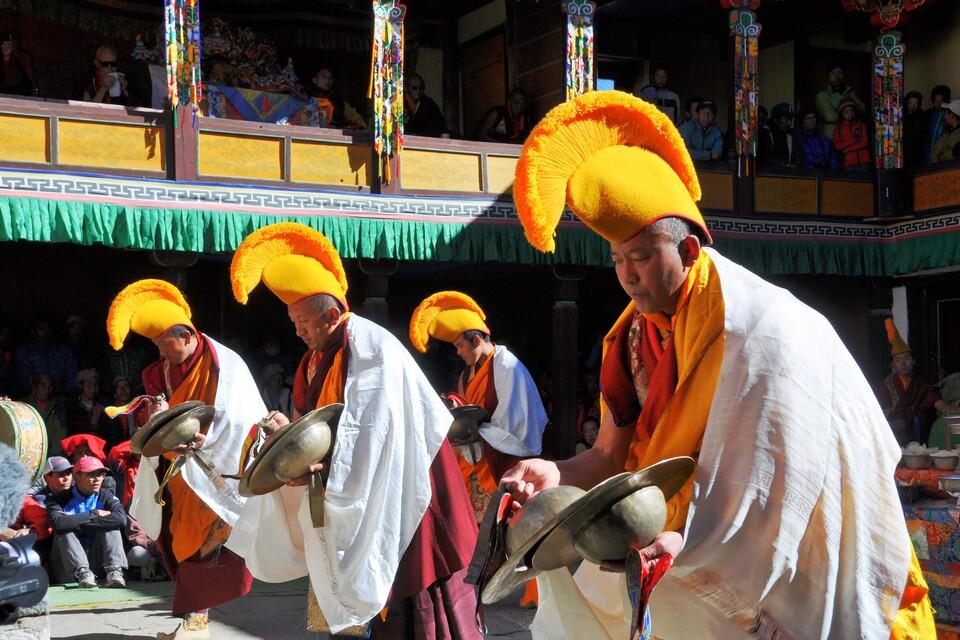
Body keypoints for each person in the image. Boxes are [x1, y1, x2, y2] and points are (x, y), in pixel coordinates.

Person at [505, 90, 933, 638]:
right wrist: (558, 473)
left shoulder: (763, 329)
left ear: (688, 251)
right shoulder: (632, 339)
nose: (628, 277)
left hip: (794, 552)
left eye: (641, 257)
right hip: (678, 541)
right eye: (617, 260)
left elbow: (784, 485)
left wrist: (689, 539)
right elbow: (611, 454)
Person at [226, 222, 480, 638]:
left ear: (331, 314)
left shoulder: (370, 346)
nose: (297, 330)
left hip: (404, 480)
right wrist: (287, 434)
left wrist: (325, 467)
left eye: (303, 320)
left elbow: (371, 432)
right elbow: (318, 422)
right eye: (293, 321)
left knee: (411, 585)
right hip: (351, 477)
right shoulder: (315, 358)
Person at [107, 279, 265, 639]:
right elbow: (158, 414)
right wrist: (157, 416)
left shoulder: (225, 364)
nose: (162, 352)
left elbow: (242, 415)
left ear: (187, 335)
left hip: (216, 466)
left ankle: (195, 621)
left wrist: (207, 440)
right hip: (177, 470)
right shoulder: (158, 371)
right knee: (181, 540)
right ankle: (196, 621)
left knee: (210, 543)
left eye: (166, 344)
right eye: (157, 345)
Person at [408, 290, 548, 522]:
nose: (458, 353)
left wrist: (479, 430)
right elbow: (468, 408)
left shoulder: (506, 365)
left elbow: (515, 422)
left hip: (498, 457)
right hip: (473, 453)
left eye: (460, 346)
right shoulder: (467, 374)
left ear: (476, 340)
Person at [47, 455, 128, 588]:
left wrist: (74, 520)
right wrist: (95, 513)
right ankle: (82, 572)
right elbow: (59, 524)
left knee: (112, 527)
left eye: (100, 474)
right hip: (67, 569)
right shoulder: (58, 499)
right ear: (77, 476)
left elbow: (121, 519)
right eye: (91, 475)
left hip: (99, 563)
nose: (97, 479)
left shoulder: (105, 495)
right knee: (65, 530)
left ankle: (114, 572)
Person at [875, 319, 950, 445]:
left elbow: (940, 404)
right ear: (892, 365)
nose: (903, 364)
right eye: (898, 360)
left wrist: (953, 409)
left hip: (916, 436)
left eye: (906, 359)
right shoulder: (883, 386)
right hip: (891, 436)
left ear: (914, 361)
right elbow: (875, 413)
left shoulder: (921, 385)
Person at [16, 318, 78, 396]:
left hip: (60, 397)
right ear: (33, 332)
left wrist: (64, 392)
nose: (45, 332)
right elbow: (23, 378)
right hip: (33, 398)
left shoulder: (63, 350)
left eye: (48, 329)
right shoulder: (25, 351)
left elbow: (72, 374)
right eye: (41, 329)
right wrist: (37, 393)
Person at [66, 369, 122, 449]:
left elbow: (114, 433)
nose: (93, 388)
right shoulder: (72, 408)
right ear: (80, 386)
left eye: (96, 385)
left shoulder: (106, 406)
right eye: (89, 385)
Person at [22, 373, 67, 457]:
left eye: (50, 386)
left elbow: (59, 434)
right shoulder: (23, 406)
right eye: (43, 385)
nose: (46, 389)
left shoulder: (58, 407)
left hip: (51, 456)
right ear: (34, 388)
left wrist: (53, 458)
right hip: (29, 454)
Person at [815, 64, 864, 140]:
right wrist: (852, 111)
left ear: (844, 75)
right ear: (828, 77)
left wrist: (842, 110)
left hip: (852, 136)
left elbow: (862, 108)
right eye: (833, 73)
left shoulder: (850, 91)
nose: (837, 76)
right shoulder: (822, 95)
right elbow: (830, 116)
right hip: (831, 137)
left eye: (840, 73)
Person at [404, 72, 447, 137]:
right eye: (414, 88)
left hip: (425, 140)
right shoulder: (399, 103)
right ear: (406, 87)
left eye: (421, 88)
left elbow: (443, 129)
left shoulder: (429, 104)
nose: (418, 91)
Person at [833, 97, 871, 171]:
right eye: (846, 112)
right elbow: (838, 146)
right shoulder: (838, 128)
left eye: (851, 111)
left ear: (854, 111)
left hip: (865, 162)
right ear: (841, 113)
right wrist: (854, 140)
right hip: (849, 163)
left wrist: (849, 149)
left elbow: (865, 142)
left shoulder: (861, 124)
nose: (849, 114)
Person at [758, 102, 798, 167]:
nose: (789, 123)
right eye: (786, 119)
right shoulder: (765, 133)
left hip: (789, 171)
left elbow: (798, 157)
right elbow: (764, 158)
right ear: (775, 119)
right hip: (769, 171)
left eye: (790, 119)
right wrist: (783, 165)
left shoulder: (791, 135)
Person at [925, 84, 952, 162]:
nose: (939, 104)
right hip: (927, 153)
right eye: (936, 101)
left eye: (941, 101)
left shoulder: (951, 115)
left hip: (943, 156)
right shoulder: (928, 114)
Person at [931, 99, 960, 164]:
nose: (944, 116)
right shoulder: (948, 131)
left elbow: (948, 157)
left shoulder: (957, 136)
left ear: (952, 115)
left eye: (946, 113)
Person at [903, 91, 926, 168]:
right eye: (910, 103)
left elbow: (922, 135)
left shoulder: (922, 115)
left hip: (916, 152)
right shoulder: (901, 114)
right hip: (902, 151)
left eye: (915, 103)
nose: (913, 106)